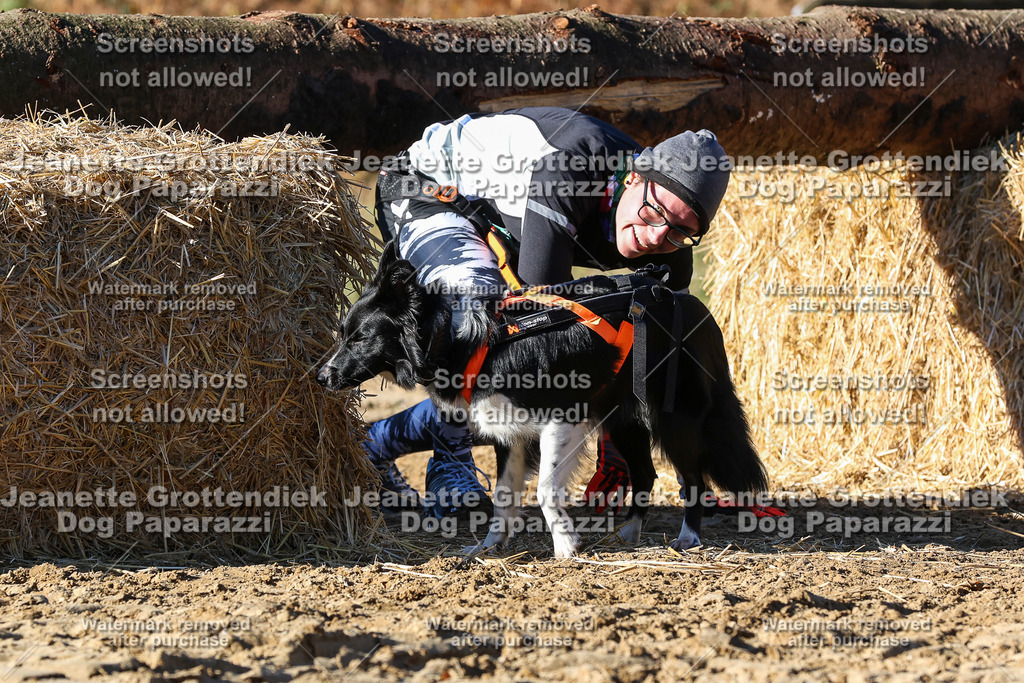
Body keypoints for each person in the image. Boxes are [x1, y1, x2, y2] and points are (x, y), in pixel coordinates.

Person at [361, 106, 731, 518]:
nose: (657, 236)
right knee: (494, 334)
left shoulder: (671, 239)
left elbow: (667, 360)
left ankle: (372, 446)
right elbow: (545, 342)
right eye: (653, 213)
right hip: (428, 190)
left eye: (680, 231)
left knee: (537, 389)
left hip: (508, 216)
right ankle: (450, 465)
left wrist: (689, 479)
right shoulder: (570, 168)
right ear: (635, 178)